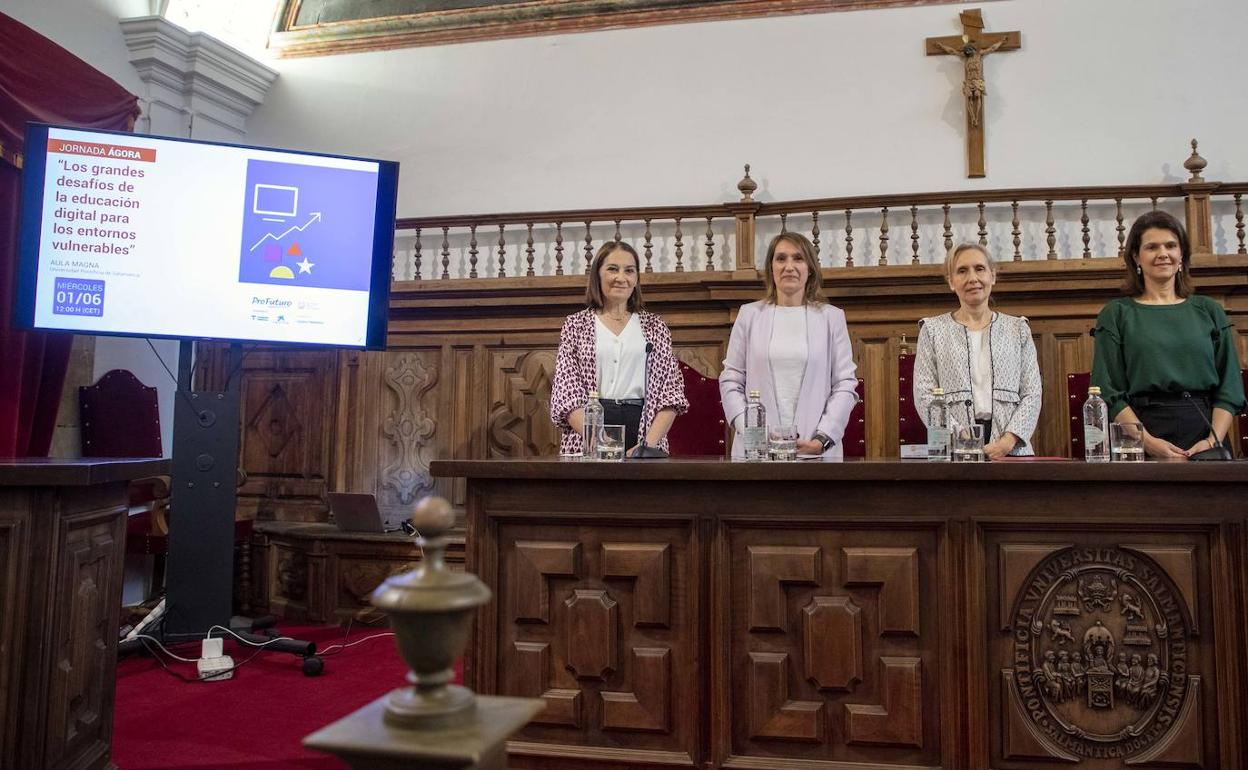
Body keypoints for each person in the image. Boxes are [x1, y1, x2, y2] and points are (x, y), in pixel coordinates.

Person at [1090, 210, 1245, 458]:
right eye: (1152, 247)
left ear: (1181, 255)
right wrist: (1149, 443)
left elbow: (1230, 388)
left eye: (1171, 245)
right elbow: (1109, 391)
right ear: (1136, 257)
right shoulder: (1116, 314)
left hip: (1206, 433)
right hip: (1140, 434)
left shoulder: (1209, 310)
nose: (1163, 253)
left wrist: (1212, 440)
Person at [719, 232, 857, 458]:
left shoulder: (831, 318)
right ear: (771, 268)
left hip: (816, 451)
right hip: (757, 452)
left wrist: (822, 439)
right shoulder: (749, 315)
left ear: (810, 268)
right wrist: (752, 433)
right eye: (781, 258)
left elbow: (844, 384)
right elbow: (731, 379)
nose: (789, 266)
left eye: (798, 258)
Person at [550, 241, 687, 456]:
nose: (621, 278)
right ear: (598, 274)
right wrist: (602, 442)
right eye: (613, 269)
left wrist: (647, 445)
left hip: (644, 430)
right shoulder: (575, 325)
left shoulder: (655, 326)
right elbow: (566, 394)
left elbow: (671, 394)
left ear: (636, 279)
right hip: (590, 432)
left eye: (629, 271)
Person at [913, 243, 1042, 458]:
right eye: (962, 271)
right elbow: (924, 395)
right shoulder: (932, 331)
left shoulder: (1018, 329)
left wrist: (1007, 442)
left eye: (979, 269)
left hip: (1012, 450)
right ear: (951, 282)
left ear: (992, 276)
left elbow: (1032, 393)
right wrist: (961, 436)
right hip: (955, 450)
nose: (972, 278)